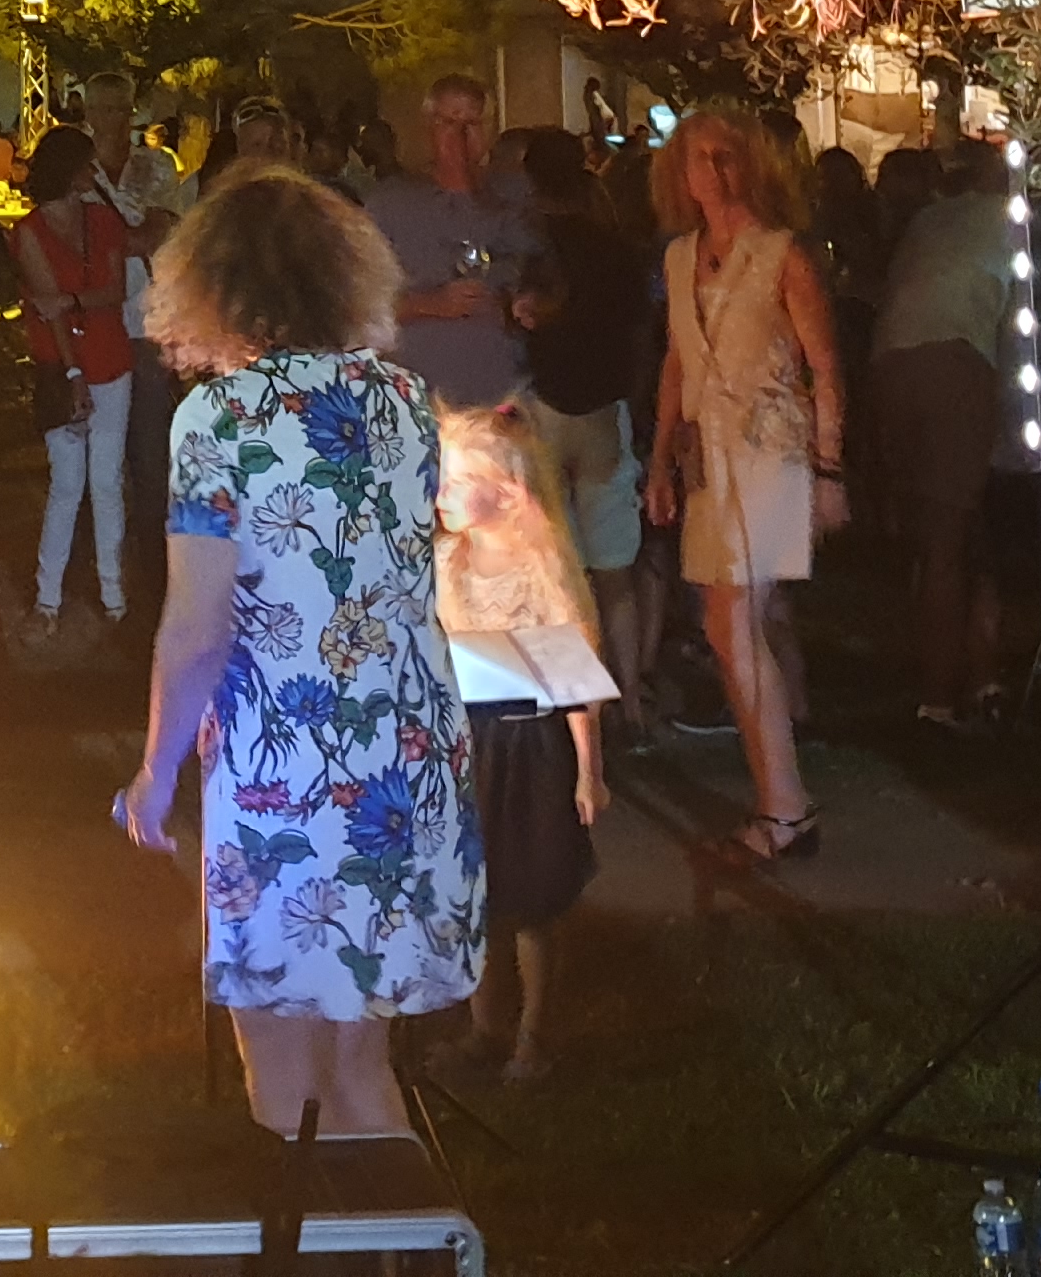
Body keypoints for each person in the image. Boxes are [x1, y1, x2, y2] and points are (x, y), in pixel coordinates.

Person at [114, 170, 481, 1141]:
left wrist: (155, 774)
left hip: (292, 775)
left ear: (215, 286)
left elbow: (198, 629)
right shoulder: (404, 400)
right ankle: (413, 1223)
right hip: (406, 757)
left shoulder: (220, 419)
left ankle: (321, 1222)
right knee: (362, 1069)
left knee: (280, 1072)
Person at [646, 111, 847, 864]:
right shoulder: (679, 258)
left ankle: (785, 808)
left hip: (771, 450)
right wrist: (659, 458)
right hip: (708, 456)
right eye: (698, 158)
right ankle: (782, 799)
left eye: (724, 156)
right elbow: (677, 362)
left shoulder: (781, 254)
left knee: (733, 622)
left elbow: (824, 368)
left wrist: (830, 469)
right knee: (728, 627)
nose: (713, 171)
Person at [436, 400, 608, 1084]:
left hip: (531, 746)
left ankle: (534, 1035)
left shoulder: (543, 571)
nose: (440, 493)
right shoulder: (446, 562)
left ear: (507, 493)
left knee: (533, 894)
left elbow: (573, 680)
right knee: (476, 893)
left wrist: (589, 771)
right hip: (470, 743)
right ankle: (485, 1027)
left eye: (456, 481)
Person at [506, 127, 664, 739]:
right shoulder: (616, 248)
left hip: (541, 405)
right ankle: (631, 703)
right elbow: (639, 333)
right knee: (614, 572)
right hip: (605, 410)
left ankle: (575, 711)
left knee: (555, 568)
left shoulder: (526, 248)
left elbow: (516, 324)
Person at [871, 145, 1010, 730]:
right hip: (958, 363)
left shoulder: (932, 219)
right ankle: (942, 695)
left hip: (891, 363)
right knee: (952, 538)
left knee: (936, 532)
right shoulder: (1015, 220)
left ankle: (967, 671)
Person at [11, 123, 138, 634]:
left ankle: (112, 591)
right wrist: (73, 373)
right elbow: (51, 312)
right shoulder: (31, 230)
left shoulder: (102, 220)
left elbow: (113, 290)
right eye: (86, 164)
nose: (94, 172)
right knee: (68, 482)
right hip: (64, 366)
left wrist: (70, 300)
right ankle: (49, 595)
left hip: (110, 358)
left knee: (105, 482)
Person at [77, 73, 193, 600]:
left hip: (146, 327)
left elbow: (156, 233)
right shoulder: (78, 171)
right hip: (96, 327)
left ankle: (151, 573)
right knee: (93, 457)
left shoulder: (156, 166)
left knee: (149, 454)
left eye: (121, 109)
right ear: (88, 113)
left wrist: (113, 240)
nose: (114, 119)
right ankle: (98, 568)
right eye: (104, 109)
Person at [366, 75, 542, 414]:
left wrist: (524, 304)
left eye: (472, 123)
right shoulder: (388, 204)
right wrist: (431, 304)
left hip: (505, 396)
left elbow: (546, 279)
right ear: (428, 128)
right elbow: (361, 308)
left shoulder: (518, 198)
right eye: (448, 122)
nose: (460, 135)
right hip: (422, 400)